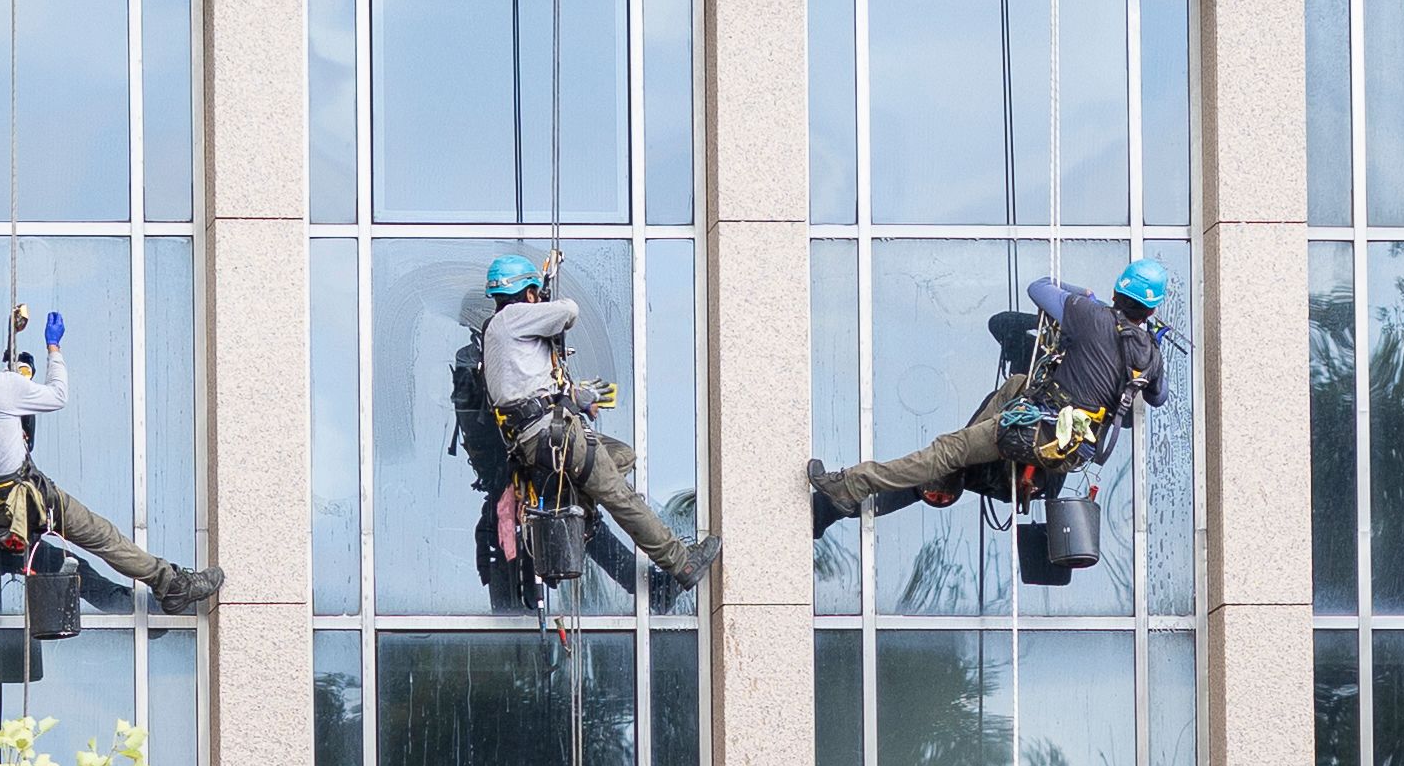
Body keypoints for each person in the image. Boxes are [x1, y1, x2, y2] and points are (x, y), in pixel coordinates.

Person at [810, 258, 1179, 529]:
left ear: (1118, 291)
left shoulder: (1091, 316)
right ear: (1150, 309)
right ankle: (834, 510)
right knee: (1015, 387)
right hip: (1070, 456)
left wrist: (1086, 295)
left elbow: (1039, 287)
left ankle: (849, 485)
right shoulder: (1151, 356)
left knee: (944, 454)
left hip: (1033, 434)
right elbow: (1158, 398)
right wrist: (1148, 342)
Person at [0, 305, 221, 611]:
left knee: (61, 559)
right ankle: (172, 584)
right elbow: (57, 394)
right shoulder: (4, 386)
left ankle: (131, 600)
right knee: (100, 535)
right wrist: (54, 348)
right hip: (28, 499)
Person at [473, 253, 721, 594]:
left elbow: (528, 391)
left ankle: (586, 495)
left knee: (623, 456)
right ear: (529, 293)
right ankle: (680, 561)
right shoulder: (514, 317)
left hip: (541, 436)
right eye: (535, 296)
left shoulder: (497, 334)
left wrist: (577, 396)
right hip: (553, 435)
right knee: (620, 497)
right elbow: (569, 311)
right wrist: (547, 304)